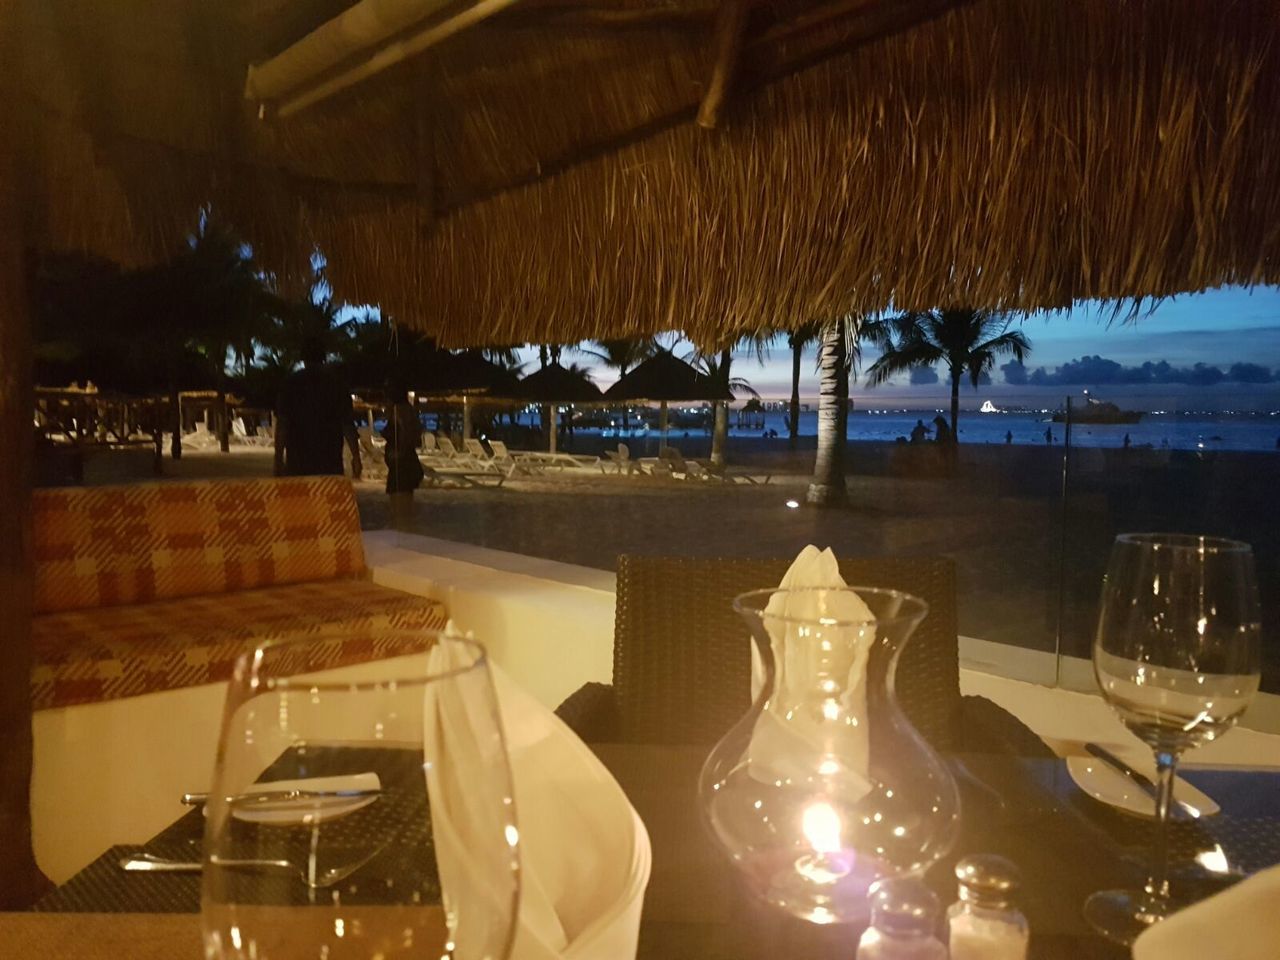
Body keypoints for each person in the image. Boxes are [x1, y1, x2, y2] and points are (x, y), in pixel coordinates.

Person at [275, 336, 360, 478]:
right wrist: (356, 457)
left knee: (302, 499)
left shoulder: (291, 384)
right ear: (324, 357)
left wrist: (278, 459)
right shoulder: (337, 385)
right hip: (329, 460)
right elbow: (347, 425)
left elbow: (282, 424)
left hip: (298, 460)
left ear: (303, 358)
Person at [382, 379, 424, 529]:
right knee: (403, 508)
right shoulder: (407, 410)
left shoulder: (399, 411)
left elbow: (405, 435)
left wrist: (398, 451)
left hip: (402, 463)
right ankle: (404, 535)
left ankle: (402, 536)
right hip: (404, 462)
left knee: (400, 509)